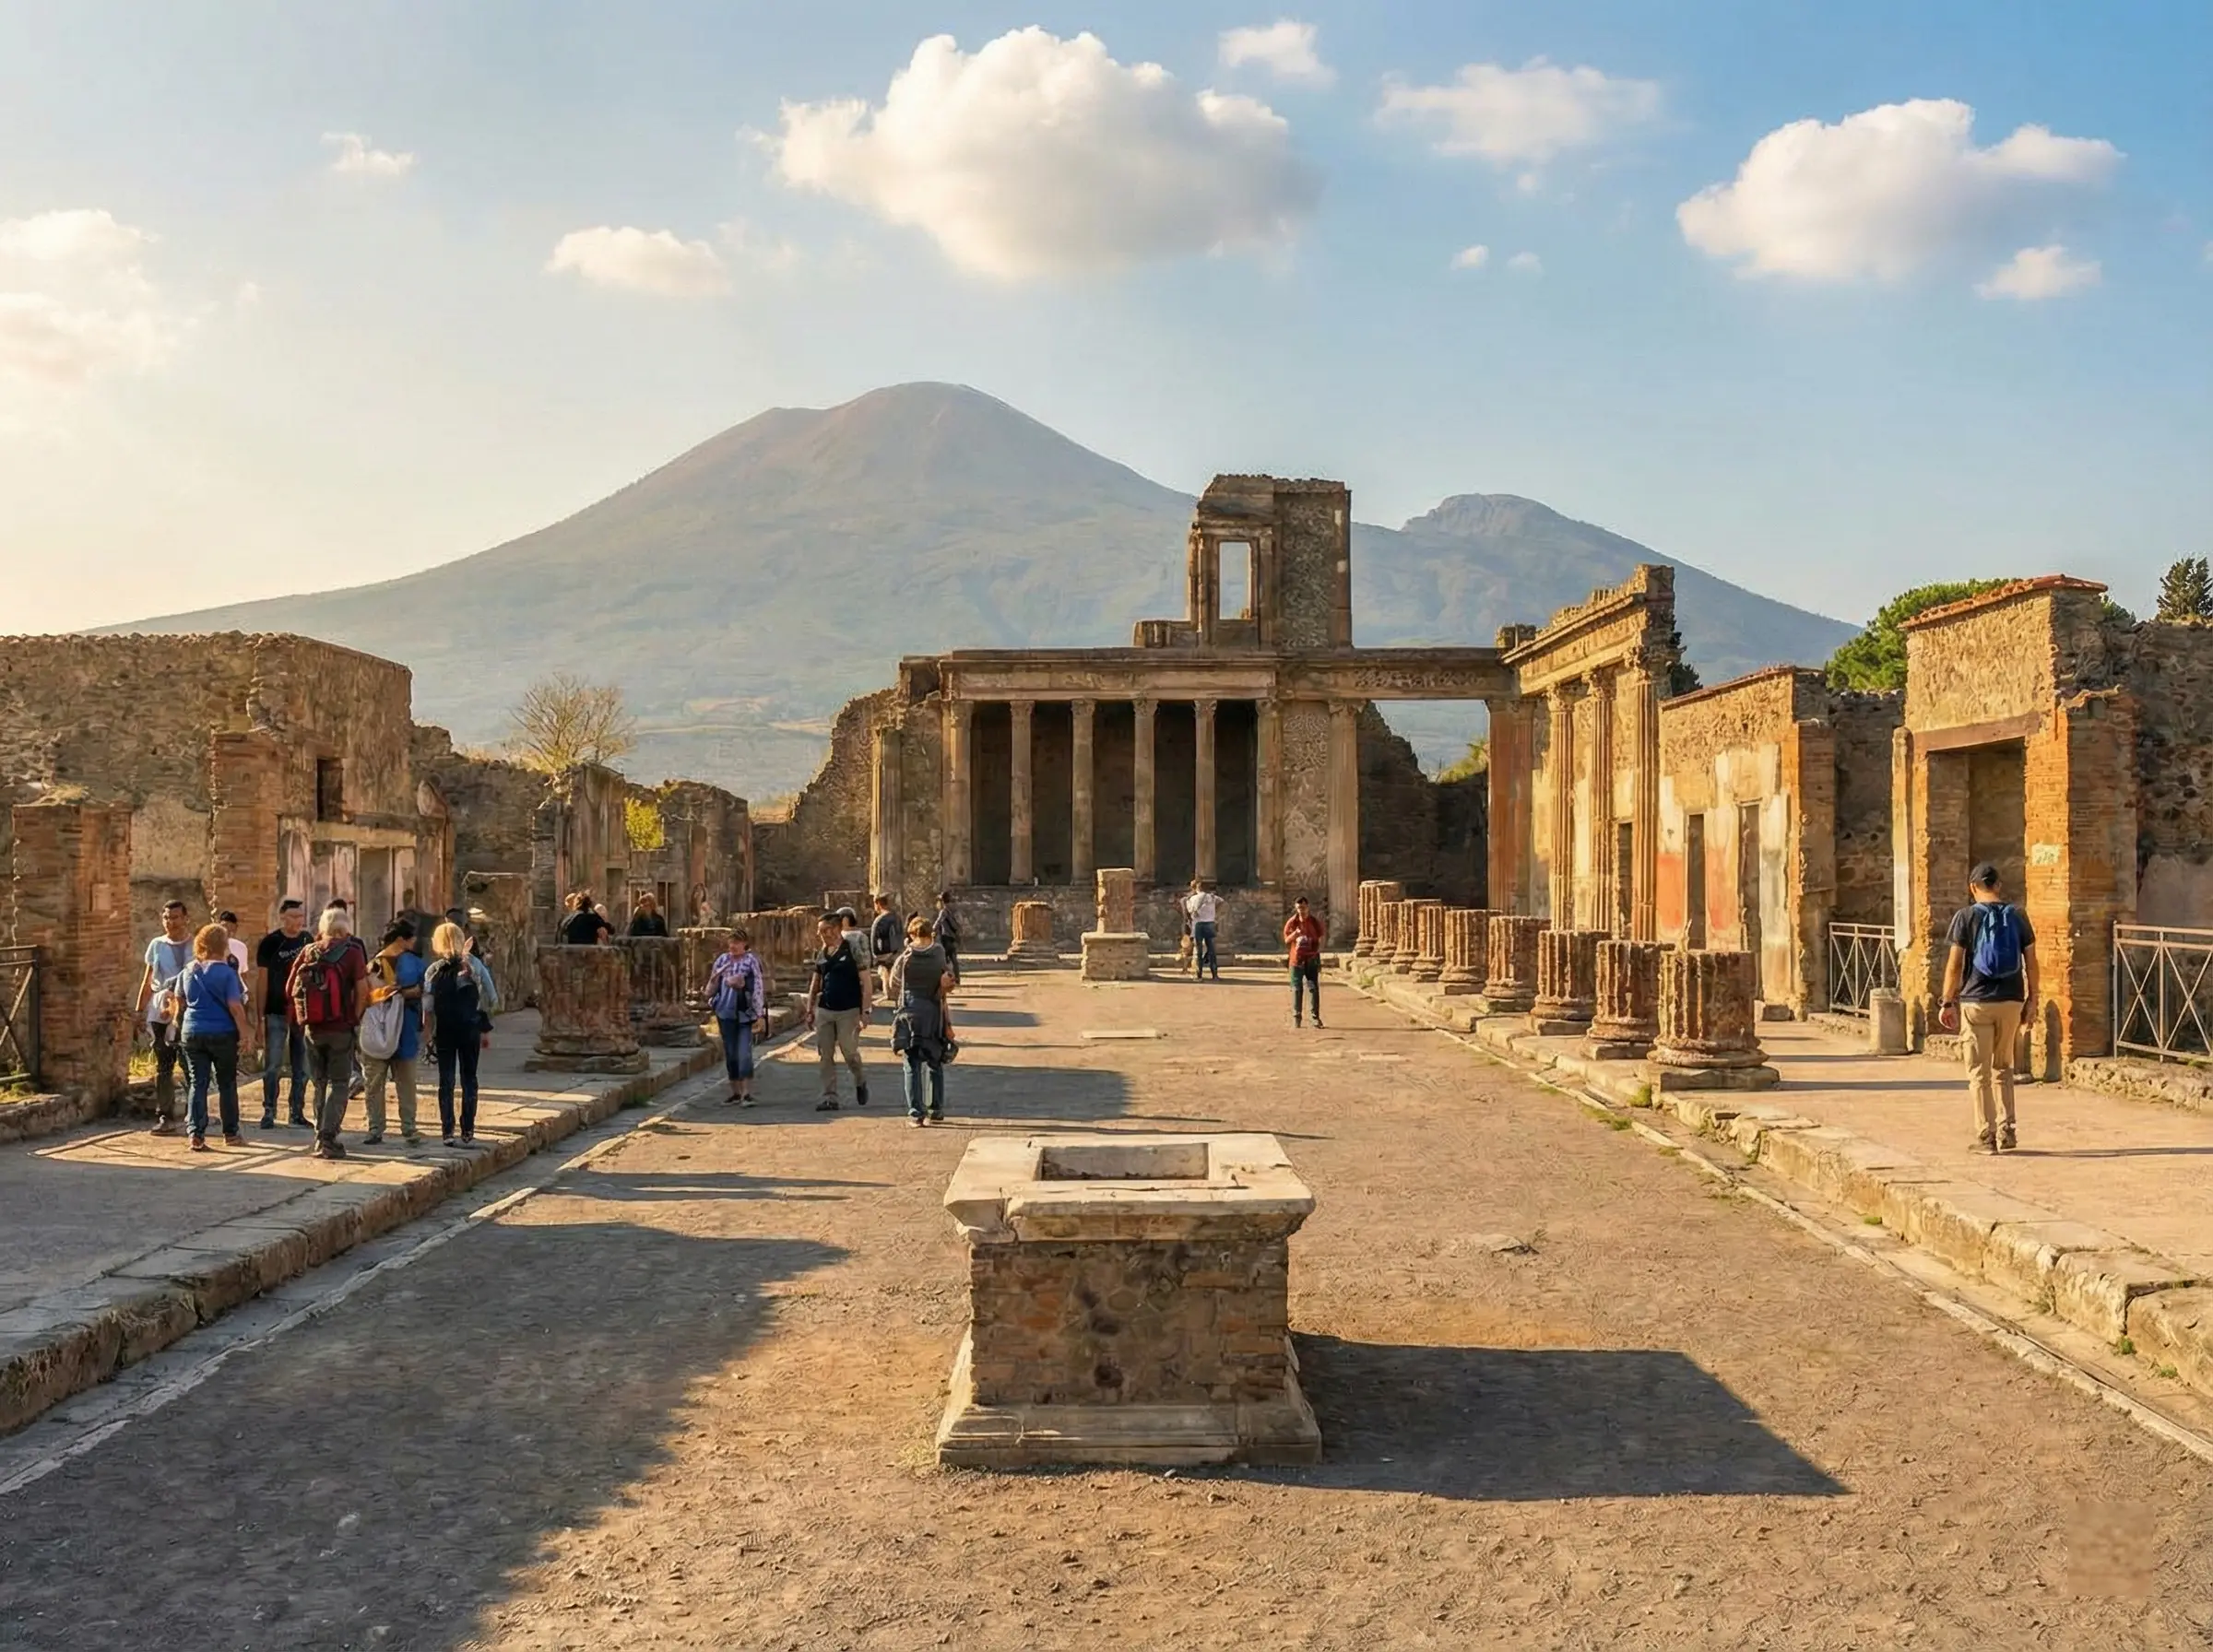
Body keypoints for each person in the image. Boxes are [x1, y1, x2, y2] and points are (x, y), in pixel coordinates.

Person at [1937, 861, 2040, 1153]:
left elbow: (1955, 965)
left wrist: (1947, 1001)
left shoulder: (1965, 917)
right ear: (1998, 886)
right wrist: (2033, 999)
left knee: (1978, 1072)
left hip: (1977, 1002)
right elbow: (2031, 963)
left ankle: (1986, 1135)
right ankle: (2008, 1131)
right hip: (2011, 1001)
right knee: (2003, 1067)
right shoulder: (2018, 916)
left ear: (1973, 888)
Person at [290, 905, 369, 1161]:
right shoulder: (353, 953)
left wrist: (304, 1016)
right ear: (345, 926)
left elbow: (291, 988)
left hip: (313, 1028)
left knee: (319, 1082)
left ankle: (318, 1136)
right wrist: (354, 1019)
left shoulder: (308, 951)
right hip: (340, 1027)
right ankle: (328, 1136)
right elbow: (362, 991)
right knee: (339, 1083)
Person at [177, 923, 252, 1150]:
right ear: (224, 945)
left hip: (192, 1031)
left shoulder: (188, 971)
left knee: (197, 1083)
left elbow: (179, 1001)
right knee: (226, 1083)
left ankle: (196, 1135)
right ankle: (231, 1133)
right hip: (222, 1033)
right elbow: (235, 1006)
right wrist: (245, 1033)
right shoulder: (228, 974)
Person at [359, 918, 426, 1146]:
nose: (414, 941)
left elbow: (364, 996)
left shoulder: (373, 964)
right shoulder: (415, 964)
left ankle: (375, 1129)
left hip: (376, 1029)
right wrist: (405, 993)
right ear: (401, 940)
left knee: (374, 1083)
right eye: (411, 937)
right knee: (406, 1083)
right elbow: (424, 991)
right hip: (405, 1030)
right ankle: (409, 1129)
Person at [424, 921, 491, 1147]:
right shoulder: (475, 966)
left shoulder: (433, 970)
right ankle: (468, 1130)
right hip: (470, 1028)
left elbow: (428, 1008)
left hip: (444, 1029)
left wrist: (427, 1037)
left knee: (447, 1080)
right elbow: (492, 998)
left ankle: (447, 1132)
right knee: (470, 1078)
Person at [135, 901, 195, 1136]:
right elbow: (147, 979)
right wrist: (139, 1011)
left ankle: (195, 1114)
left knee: (190, 1062)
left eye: (176, 917)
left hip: (188, 1009)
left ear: (185, 918)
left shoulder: (195, 945)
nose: (171, 922)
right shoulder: (156, 945)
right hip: (160, 1010)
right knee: (164, 1063)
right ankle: (165, 1116)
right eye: (167, 918)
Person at [891, 914, 955, 1127]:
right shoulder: (938, 953)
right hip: (933, 1013)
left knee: (912, 1064)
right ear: (931, 933)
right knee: (935, 1062)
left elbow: (893, 983)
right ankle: (936, 1109)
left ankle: (916, 1113)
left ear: (911, 934)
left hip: (910, 1014)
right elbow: (948, 982)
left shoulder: (906, 956)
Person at [254, 900, 314, 1128]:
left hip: (302, 1012)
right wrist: (260, 1017)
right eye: (293, 916)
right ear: (282, 917)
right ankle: (269, 1111)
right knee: (273, 1065)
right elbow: (262, 981)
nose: (298, 921)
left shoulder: (308, 940)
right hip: (276, 1011)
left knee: (303, 1066)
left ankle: (296, 1111)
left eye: (300, 916)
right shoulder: (271, 943)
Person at [805, 912, 871, 1111]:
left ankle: (860, 1079)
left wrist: (865, 1010)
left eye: (824, 931)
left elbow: (866, 982)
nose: (821, 935)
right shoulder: (822, 953)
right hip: (825, 1009)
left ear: (835, 929)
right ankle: (829, 1097)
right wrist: (809, 1009)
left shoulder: (852, 951)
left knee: (849, 1051)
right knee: (825, 1054)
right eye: (819, 932)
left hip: (849, 1010)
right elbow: (815, 982)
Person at [705, 927, 768, 1106]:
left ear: (745, 944)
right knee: (731, 1053)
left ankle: (747, 1093)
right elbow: (712, 983)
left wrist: (759, 1013)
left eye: (738, 942)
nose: (734, 946)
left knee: (744, 1053)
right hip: (725, 1011)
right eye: (731, 942)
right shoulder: (722, 960)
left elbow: (757, 987)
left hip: (744, 1013)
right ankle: (735, 1092)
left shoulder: (750, 961)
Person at [1284, 895, 1326, 1029]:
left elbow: (1321, 936)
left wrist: (1317, 951)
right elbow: (1286, 939)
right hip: (1296, 960)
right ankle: (1297, 1017)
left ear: (1308, 907)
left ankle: (1315, 1017)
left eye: (1303, 908)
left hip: (1311, 959)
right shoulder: (1292, 922)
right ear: (1296, 909)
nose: (1301, 911)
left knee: (1313, 988)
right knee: (1297, 989)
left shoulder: (1314, 922)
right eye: (1298, 908)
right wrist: (1295, 934)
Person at [1184, 879, 1223, 981]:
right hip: (1210, 923)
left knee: (1199, 950)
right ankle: (1215, 974)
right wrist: (1214, 913)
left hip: (1198, 924)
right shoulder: (1212, 897)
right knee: (1211, 950)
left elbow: (1189, 910)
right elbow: (1222, 903)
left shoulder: (1193, 898)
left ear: (1197, 888)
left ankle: (1199, 975)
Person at [870, 893, 903, 1002]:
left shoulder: (880, 920)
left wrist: (875, 955)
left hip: (885, 953)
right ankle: (895, 995)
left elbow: (875, 940)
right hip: (897, 951)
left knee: (885, 975)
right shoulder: (897, 917)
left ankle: (889, 994)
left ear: (878, 904)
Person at [932, 891, 964, 986]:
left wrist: (931, 930)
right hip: (952, 937)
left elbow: (938, 922)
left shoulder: (943, 911)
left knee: (943, 960)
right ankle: (957, 979)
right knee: (954, 959)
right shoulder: (952, 909)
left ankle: (946, 980)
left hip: (946, 938)